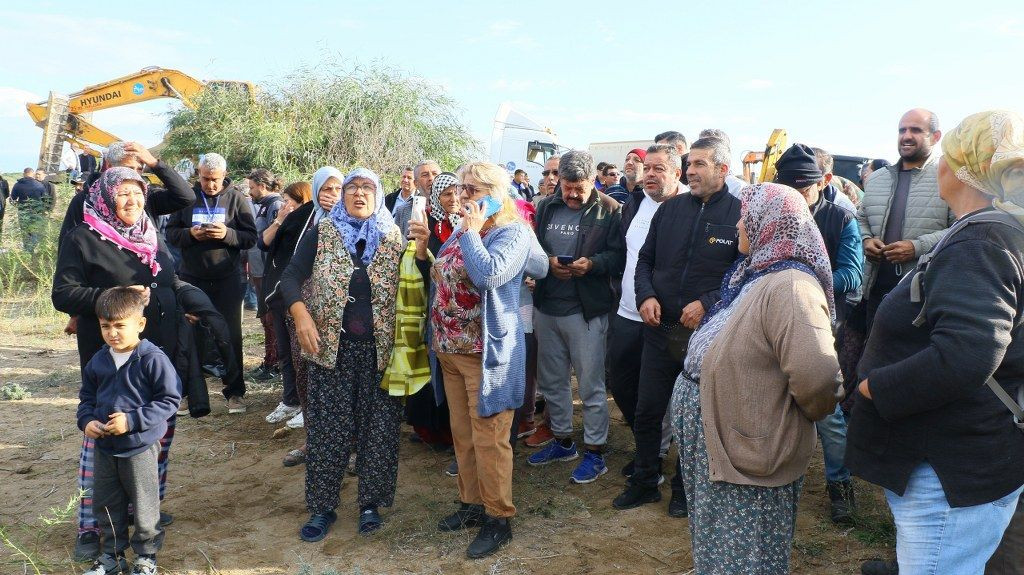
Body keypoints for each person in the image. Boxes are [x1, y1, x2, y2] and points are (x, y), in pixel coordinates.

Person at [846, 110, 1024, 575]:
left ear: (965, 168)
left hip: (950, 465)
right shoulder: (992, 231)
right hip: (960, 453)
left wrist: (873, 388)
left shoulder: (983, 240)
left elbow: (967, 355)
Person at [672, 182, 840, 574]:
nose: (739, 223)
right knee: (721, 540)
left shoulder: (791, 286)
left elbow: (817, 376)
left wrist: (775, 419)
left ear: (771, 224)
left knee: (746, 555)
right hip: (726, 442)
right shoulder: (758, 271)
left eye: (747, 216)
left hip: (751, 449)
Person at [52, 167, 183, 562]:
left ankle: (144, 515)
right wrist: (115, 297)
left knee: (154, 434)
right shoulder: (83, 237)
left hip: (153, 351)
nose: (133, 201)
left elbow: (168, 278)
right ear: (106, 196)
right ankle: (93, 529)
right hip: (106, 357)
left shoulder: (148, 232)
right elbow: (63, 292)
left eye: (138, 193)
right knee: (101, 445)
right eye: (123, 194)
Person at [616, 138, 741, 514]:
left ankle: (684, 490)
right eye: (689, 164)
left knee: (694, 419)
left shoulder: (738, 213)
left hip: (703, 338)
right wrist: (646, 296)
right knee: (648, 410)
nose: (691, 171)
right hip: (659, 328)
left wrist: (707, 303)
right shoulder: (669, 211)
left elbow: (741, 274)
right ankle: (644, 480)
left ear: (722, 169)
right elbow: (644, 261)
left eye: (700, 164)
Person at [280, 166, 405, 541]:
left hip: (381, 352)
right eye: (352, 187)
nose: (359, 193)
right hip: (329, 350)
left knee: (378, 431)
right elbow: (289, 278)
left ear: (379, 194)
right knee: (327, 433)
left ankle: (370, 504)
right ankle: (322, 508)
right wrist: (301, 314)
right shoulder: (322, 233)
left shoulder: (395, 237)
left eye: (368, 187)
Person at [425, 162, 539, 559]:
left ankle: (498, 517)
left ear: (495, 192)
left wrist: (472, 233)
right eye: (462, 188)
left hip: (485, 353)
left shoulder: (513, 232)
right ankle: (472, 503)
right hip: (449, 348)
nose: (464, 196)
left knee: (490, 437)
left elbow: (488, 275)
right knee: (463, 433)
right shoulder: (463, 227)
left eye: (472, 189)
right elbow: (448, 273)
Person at [774, 143, 863, 524]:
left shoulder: (841, 219)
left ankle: (840, 487)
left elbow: (855, 274)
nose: (796, 197)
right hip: (773, 320)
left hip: (820, 323)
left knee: (827, 410)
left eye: (804, 189)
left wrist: (804, 281)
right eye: (789, 189)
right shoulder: (771, 212)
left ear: (824, 181)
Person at [528, 150, 624, 483]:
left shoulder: (610, 209)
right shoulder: (546, 206)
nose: (571, 194)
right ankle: (564, 440)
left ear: (592, 181)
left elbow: (618, 257)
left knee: (591, 385)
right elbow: (535, 246)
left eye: (578, 188)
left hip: (586, 311)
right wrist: (549, 260)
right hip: (547, 307)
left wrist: (593, 264)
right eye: (566, 187)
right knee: (553, 381)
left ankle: (595, 453)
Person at [606, 144, 687, 515]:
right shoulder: (637, 202)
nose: (649, 174)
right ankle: (648, 449)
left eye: (658, 168)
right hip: (627, 311)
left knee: (662, 396)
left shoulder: (687, 207)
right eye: (646, 167)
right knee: (621, 382)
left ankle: (653, 460)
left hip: (665, 320)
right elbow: (632, 257)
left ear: (676, 172)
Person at [77, 287, 181, 575]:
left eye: (120, 325)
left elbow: (169, 400)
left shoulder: (152, 359)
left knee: (145, 504)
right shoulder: (98, 360)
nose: (112, 333)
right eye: (106, 326)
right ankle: (111, 556)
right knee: (107, 503)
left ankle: (146, 556)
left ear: (140, 324)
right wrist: (87, 422)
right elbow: (86, 399)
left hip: (140, 448)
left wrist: (132, 421)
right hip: (106, 448)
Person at [165, 153, 256, 414]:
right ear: (198, 174)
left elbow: (251, 238)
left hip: (228, 279)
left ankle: (235, 392)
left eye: (215, 180)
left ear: (224, 176)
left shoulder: (237, 198)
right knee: (188, 334)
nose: (211, 185)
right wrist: (190, 234)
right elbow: (170, 233)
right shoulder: (187, 198)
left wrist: (227, 234)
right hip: (192, 278)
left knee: (229, 334)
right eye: (206, 179)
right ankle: (186, 393)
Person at [859, 108, 954, 330]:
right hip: (875, 290)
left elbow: (960, 227)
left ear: (936, 136)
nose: (907, 136)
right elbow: (862, 216)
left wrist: (917, 247)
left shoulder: (948, 177)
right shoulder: (878, 179)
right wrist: (866, 239)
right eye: (902, 130)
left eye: (916, 130)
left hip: (922, 297)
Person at [405, 173, 462, 465]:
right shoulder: (429, 223)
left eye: (457, 194)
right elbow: (418, 261)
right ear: (436, 198)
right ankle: (433, 429)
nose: (453, 200)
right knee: (434, 369)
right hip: (433, 306)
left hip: (462, 311)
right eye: (447, 195)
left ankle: (457, 436)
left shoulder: (468, 223)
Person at [58, 141, 194, 255]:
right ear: (109, 166)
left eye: (139, 169)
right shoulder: (85, 200)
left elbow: (186, 197)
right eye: (128, 168)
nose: (134, 174)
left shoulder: (146, 198)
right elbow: (67, 247)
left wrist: (154, 163)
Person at [259, 181, 313, 431]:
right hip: (278, 293)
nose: (284, 203)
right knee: (285, 350)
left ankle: (306, 404)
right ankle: (290, 399)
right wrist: (280, 219)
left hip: (298, 294)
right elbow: (264, 242)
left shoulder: (309, 219)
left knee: (301, 353)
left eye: (288, 199)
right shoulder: (287, 219)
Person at [244, 168, 284, 382]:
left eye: (251, 187)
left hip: (267, 272)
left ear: (262, 185)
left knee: (271, 318)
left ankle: (275, 363)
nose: (250, 192)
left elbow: (273, 240)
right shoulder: (265, 206)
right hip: (258, 271)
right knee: (265, 319)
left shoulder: (275, 205)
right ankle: (269, 359)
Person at [394, 160, 441, 235]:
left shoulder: (452, 206)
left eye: (435, 174)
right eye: (425, 175)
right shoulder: (403, 211)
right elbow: (398, 243)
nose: (431, 178)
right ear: (416, 183)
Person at [10, 168, 48, 253]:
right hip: (36, 212)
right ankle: (30, 249)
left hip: (23, 212)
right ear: (33, 174)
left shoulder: (17, 185)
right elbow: (46, 200)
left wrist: (18, 206)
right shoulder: (39, 185)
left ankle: (27, 251)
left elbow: (12, 199)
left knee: (25, 232)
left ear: (24, 174)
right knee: (35, 231)